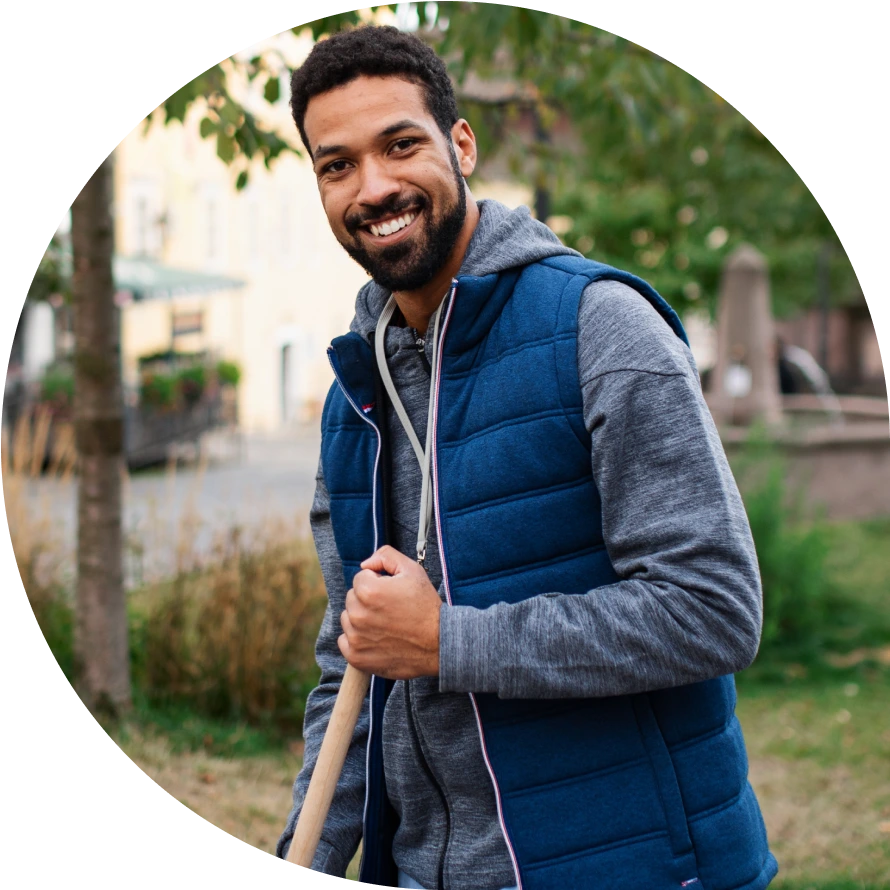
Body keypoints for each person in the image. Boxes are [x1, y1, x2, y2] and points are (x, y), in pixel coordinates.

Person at [277, 24, 778, 890]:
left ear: (461, 145)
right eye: (338, 165)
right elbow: (354, 661)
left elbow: (715, 610)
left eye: (401, 145)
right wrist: (313, 853)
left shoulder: (600, 327)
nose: (375, 186)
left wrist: (449, 640)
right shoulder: (352, 395)